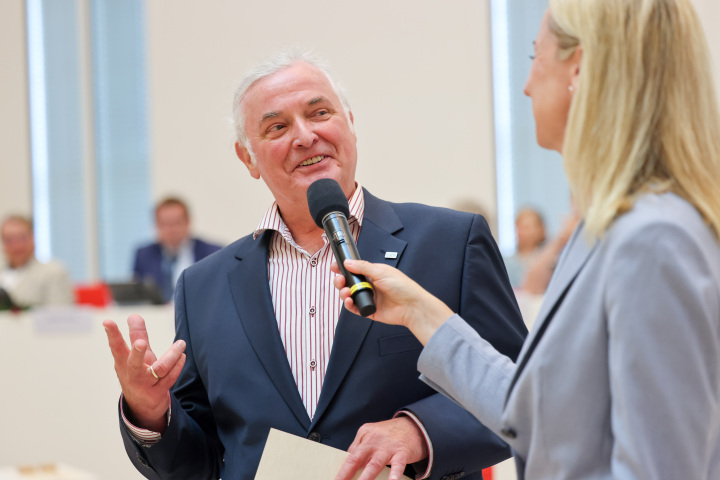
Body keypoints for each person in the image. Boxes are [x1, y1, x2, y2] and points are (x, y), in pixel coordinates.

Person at [333, 0, 720, 478]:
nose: (525, 84)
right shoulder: (602, 232)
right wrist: (418, 311)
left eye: (536, 56)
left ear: (578, 68)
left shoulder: (654, 239)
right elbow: (543, 415)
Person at [103, 49, 527, 480]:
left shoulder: (451, 242)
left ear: (350, 123)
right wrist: (152, 415)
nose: (305, 136)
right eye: (277, 127)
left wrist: (419, 432)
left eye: (319, 112)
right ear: (247, 158)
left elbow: (523, 396)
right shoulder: (203, 287)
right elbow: (204, 461)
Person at [132, 197, 222, 302]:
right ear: (156, 225)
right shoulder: (144, 255)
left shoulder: (213, 253)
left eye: (176, 223)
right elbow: (136, 295)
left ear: (188, 222)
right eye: (164, 224)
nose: (171, 230)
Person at [0, 215, 74, 308]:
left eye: (22, 238)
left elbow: (61, 315)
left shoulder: (53, 272)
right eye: (9, 240)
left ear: (33, 238)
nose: (17, 245)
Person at [502, 208, 546, 288]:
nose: (521, 232)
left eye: (526, 227)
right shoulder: (506, 262)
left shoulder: (548, 260)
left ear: (540, 230)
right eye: (518, 227)